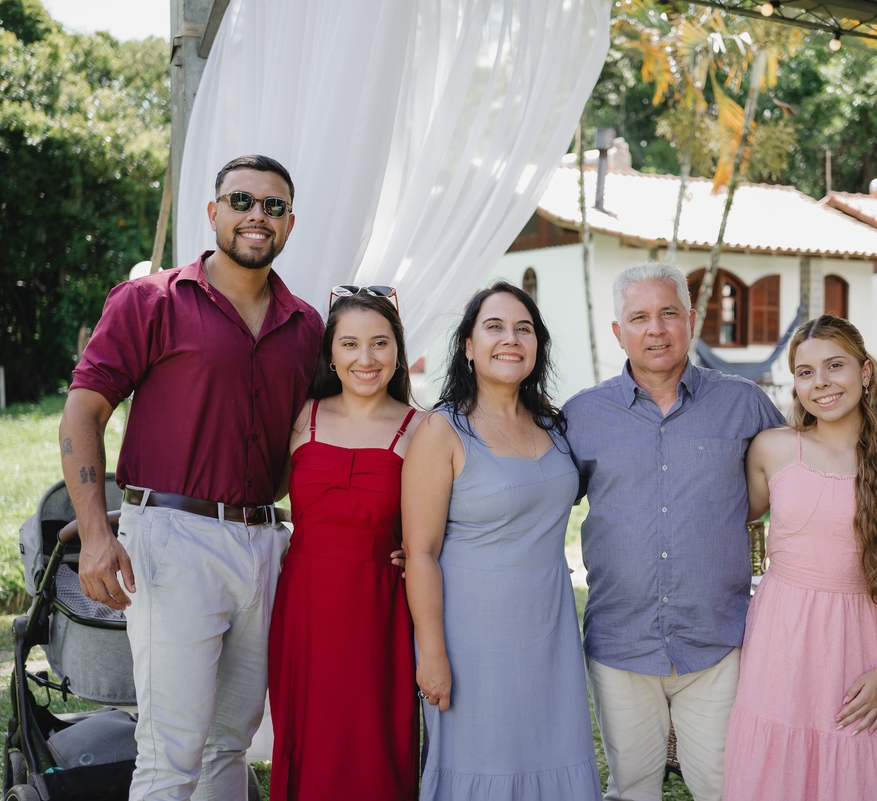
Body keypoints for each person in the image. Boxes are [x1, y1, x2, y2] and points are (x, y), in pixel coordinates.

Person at [60, 155, 323, 801]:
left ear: (290, 223)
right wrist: (95, 534)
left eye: (274, 206)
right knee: (171, 753)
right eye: (242, 201)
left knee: (229, 743)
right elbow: (83, 413)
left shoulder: (305, 325)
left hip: (264, 544)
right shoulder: (150, 301)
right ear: (213, 212)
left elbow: (322, 436)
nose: (257, 216)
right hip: (172, 539)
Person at [563, 262, 786, 801]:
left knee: (725, 787)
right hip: (621, 643)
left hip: (717, 642)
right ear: (618, 331)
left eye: (668, 313)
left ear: (690, 320)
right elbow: (532, 503)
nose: (656, 329)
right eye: (639, 317)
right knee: (632, 788)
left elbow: (801, 488)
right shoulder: (582, 416)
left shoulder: (744, 404)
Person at [721, 314, 877, 800]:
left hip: (862, 646)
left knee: (859, 769)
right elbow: (724, 518)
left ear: (866, 371)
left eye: (835, 365)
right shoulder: (772, 450)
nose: (820, 382)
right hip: (781, 642)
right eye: (805, 372)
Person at [403, 282, 601, 801]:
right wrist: (432, 654)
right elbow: (420, 553)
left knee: (552, 753)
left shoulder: (555, 426)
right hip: (471, 637)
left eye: (523, 329)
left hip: (549, 627)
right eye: (494, 327)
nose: (511, 338)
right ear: (468, 346)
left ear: (537, 346)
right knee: (481, 763)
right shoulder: (442, 431)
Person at [267, 287, 422, 800]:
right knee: (307, 738)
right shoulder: (300, 416)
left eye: (379, 343)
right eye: (350, 344)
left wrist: (421, 549)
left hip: (378, 607)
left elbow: (447, 520)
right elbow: (255, 495)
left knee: (373, 744)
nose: (365, 358)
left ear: (397, 350)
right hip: (305, 605)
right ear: (330, 354)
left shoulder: (421, 428)